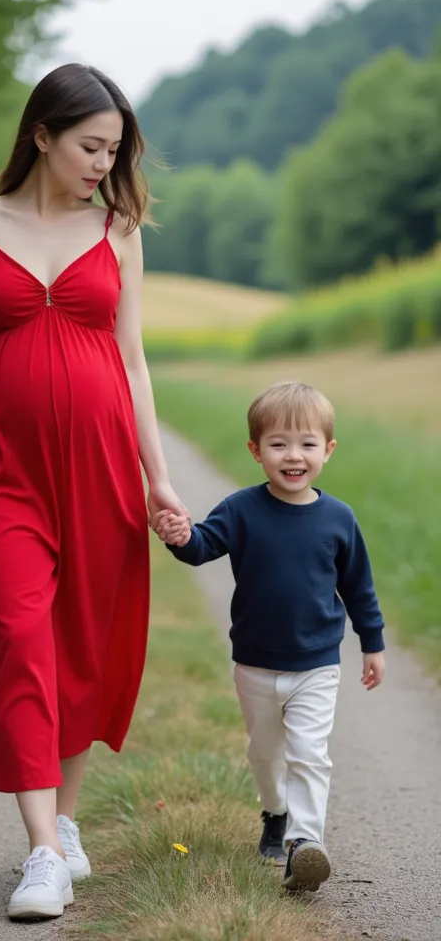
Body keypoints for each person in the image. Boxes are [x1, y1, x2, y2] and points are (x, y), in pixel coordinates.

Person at [0, 63, 187, 921]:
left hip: (104, 466)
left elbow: (133, 361)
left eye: (114, 150)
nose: (103, 164)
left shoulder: (118, 229)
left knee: (80, 644)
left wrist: (159, 477)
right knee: (18, 636)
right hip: (1, 473)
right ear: (42, 135)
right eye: (89, 146)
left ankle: (64, 821)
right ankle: (41, 850)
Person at [152, 381, 385, 893]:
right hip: (255, 663)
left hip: (318, 665)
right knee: (265, 753)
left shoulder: (339, 519)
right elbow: (202, 546)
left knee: (309, 752)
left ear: (328, 449)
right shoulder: (241, 510)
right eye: (279, 444)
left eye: (306, 443)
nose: (293, 455)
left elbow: (359, 588)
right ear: (256, 451)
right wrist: (180, 535)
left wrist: (373, 642)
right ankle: (275, 813)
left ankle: (305, 844)